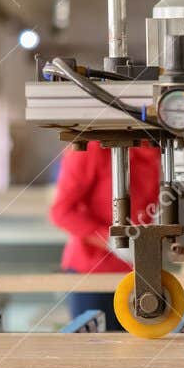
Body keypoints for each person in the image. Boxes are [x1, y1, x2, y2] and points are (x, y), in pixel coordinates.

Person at [48, 139, 161, 330]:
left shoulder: (158, 151)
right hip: (91, 274)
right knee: (94, 350)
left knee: (134, 351)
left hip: (138, 272)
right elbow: (61, 212)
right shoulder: (90, 149)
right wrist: (110, 241)